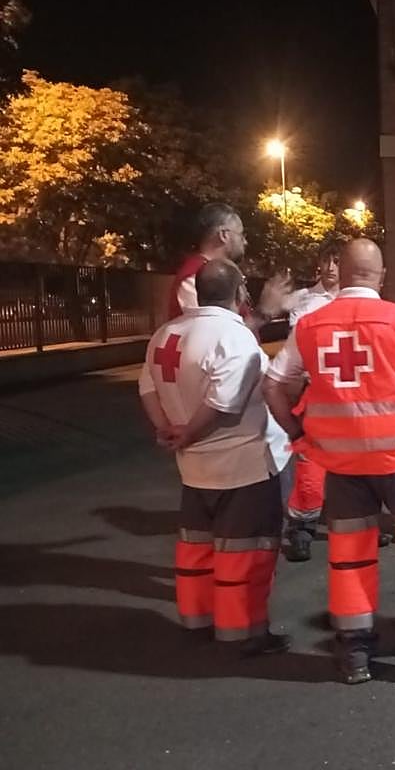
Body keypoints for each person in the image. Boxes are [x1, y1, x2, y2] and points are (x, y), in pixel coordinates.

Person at [263, 238, 395, 685]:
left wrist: (299, 434)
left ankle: (354, 657)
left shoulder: (311, 325)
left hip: (340, 465)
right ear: (380, 276)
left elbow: (272, 385)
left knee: (349, 561)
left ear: (341, 271)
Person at [138, 258, 292, 655]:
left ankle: (197, 620)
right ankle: (243, 633)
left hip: (193, 469)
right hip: (241, 465)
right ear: (240, 293)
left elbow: (148, 387)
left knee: (198, 552)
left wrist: (168, 430)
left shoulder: (165, 334)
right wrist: (189, 430)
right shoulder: (234, 337)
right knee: (246, 555)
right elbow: (224, 403)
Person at [279, 241, 341, 562]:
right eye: (325, 261)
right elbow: (298, 351)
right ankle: (302, 528)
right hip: (313, 392)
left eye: (336, 261)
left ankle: (361, 523)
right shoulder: (305, 301)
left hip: (347, 394)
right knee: (309, 463)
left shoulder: (355, 299)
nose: (330, 268)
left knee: (352, 463)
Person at [167, 202, 290, 330]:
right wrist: (263, 312)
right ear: (224, 235)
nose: (245, 242)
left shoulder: (216, 272)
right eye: (241, 235)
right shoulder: (194, 277)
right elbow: (216, 335)